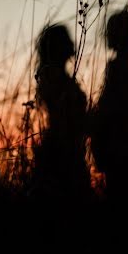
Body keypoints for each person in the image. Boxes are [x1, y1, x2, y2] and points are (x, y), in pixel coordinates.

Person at [90, 10, 128, 198]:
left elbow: (115, 111)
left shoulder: (121, 67)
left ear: (122, 32)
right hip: (127, 150)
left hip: (120, 151)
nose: (106, 34)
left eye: (110, 29)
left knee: (119, 201)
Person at [32, 24, 90, 198]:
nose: (72, 43)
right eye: (67, 40)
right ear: (58, 46)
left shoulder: (56, 76)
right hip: (62, 149)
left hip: (68, 147)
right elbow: (68, 115)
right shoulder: (52, 76)